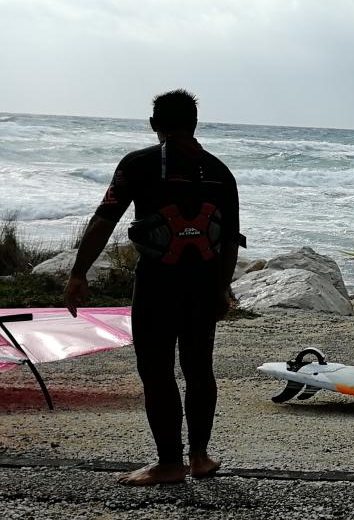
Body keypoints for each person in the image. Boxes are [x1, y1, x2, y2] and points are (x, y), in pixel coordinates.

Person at [62, 90, 242, 486]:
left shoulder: (138, 165)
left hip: (158, 283)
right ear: (194, 124)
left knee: (157, 371)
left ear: (153, 124)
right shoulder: (219, 172)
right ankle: (200, 457)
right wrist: (221, 290)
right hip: (201, 285)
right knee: (199, 369)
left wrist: (78, 274)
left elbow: (104, 219)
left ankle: (168, 463)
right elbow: (230, 240)